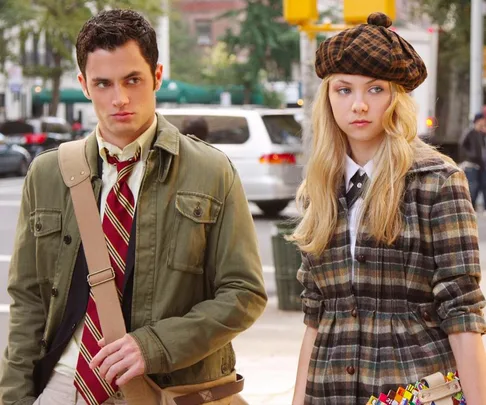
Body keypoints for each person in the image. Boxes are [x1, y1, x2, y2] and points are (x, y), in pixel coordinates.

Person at [0, 9, 267, 405]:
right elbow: (28, 300)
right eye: (103, 83)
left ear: (157, 76)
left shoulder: (211, 171)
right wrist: (15, 397)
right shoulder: (47, 174)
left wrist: (154, 345)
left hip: (164, 389)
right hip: (62, 385)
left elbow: (244, 293)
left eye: (132, 80)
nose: (119, 98)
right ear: (84, 85)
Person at [289, 12, 486, 405]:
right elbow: (315, 317)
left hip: (415, 391)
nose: (359, 105)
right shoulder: (319, 188)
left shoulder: (437, 180)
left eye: (375, 90)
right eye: (344, 90)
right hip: (331, 392)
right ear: (327, 97)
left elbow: (463, 313)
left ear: (396, 97)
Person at [459, 112, 486, 209]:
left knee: (480, 185)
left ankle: (476, 207)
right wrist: (470, 155)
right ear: (478, 121)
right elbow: (462, 145)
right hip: (471, 164)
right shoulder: (469, 132)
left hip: (480, 164)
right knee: (472, 186)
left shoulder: (481, 134)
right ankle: (470, 208)